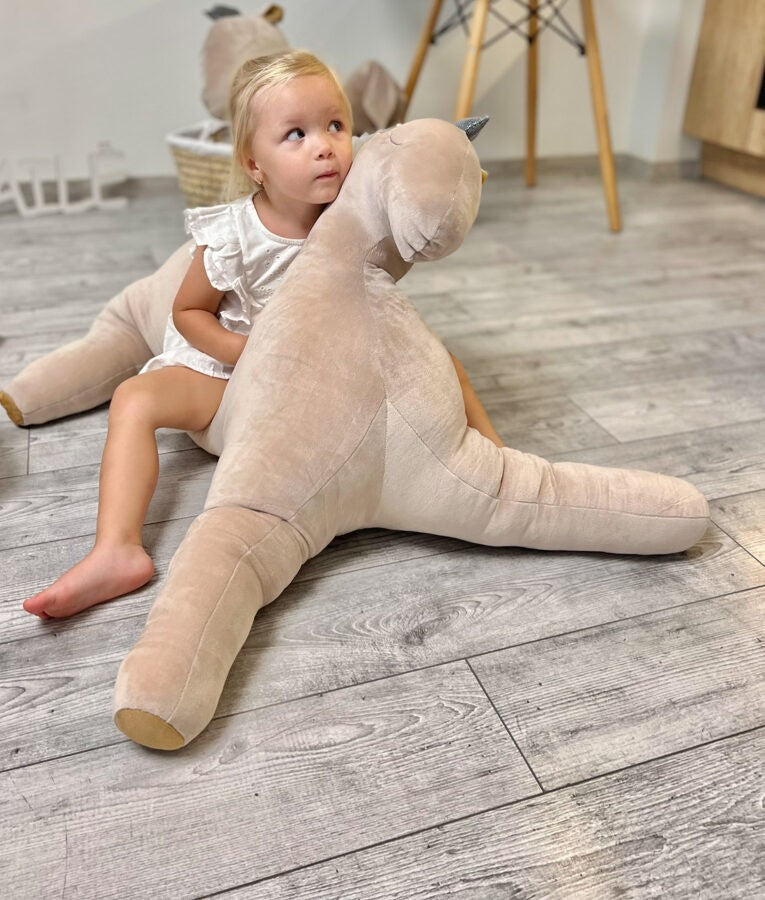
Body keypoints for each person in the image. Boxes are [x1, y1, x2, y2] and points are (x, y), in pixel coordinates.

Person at [23, 49, 502, 620]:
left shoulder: (354, 211)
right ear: (256, 165)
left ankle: (494, 459)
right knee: (133, 398)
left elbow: (409, 173)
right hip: (233, 373)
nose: (325, 145)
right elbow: (189, 312)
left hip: (334, 365)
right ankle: (116, 548)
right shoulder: (235, 232)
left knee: (441, 361)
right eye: (295, 135)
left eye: (335, 126)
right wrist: (248, 355)